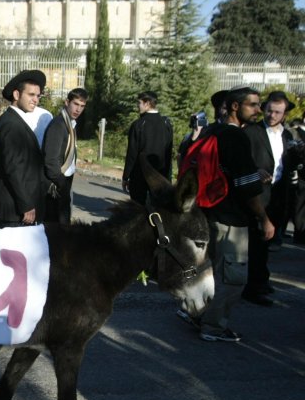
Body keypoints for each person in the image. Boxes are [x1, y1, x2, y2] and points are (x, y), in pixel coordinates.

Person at [177, 86, 275, 342]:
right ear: (235, 107)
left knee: (205, 270)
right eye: (252, 105)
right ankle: (213, 327)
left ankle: (194, 312)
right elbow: (245, 187)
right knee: (233, 278)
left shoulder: (212, 131)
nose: (258, 110)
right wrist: (264, 218)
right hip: (231, 219)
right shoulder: (236, 137)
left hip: (207, 212)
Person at [241, 91, 294, 306]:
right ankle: (253, 287)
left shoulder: (288, 136)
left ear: (284, 114)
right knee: (257, 240)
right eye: (269, 110)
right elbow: (242, 162)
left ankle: (261, 279)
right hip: (258, 194)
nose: (272, 115)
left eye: (278, 112)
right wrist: (255, 171)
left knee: (269, 239)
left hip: (279, 195)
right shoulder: (252, 132)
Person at [0, 70, 45, 228]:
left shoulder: (14, 120)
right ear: (17, 95)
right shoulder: (11, 124)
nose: (35, 100)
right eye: (31, 94)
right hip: (14, 211)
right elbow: (13, 168)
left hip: (16, 208)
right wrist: (26, 204)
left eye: (38, 96)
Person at [41, 88, 88, 224]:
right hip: (56, 184)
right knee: (57, 226)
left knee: (63, 223)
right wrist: (61, 183)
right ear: (67, 102)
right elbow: (50, 160)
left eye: (82, 106)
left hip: (64, 181)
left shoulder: (70, 123)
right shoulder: (59, 125)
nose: (78, 109)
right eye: (76, 104)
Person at [122, 91, 174, 205]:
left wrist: (126, 177)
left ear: (147, 103)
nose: (137, 106)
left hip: (139, 175)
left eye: (139, 103)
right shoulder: (166, 124)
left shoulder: (139, 124)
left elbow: (132, 153)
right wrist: (168, 177)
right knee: (158, 208)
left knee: (137, 209)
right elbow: (168, 153)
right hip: (160, 175)